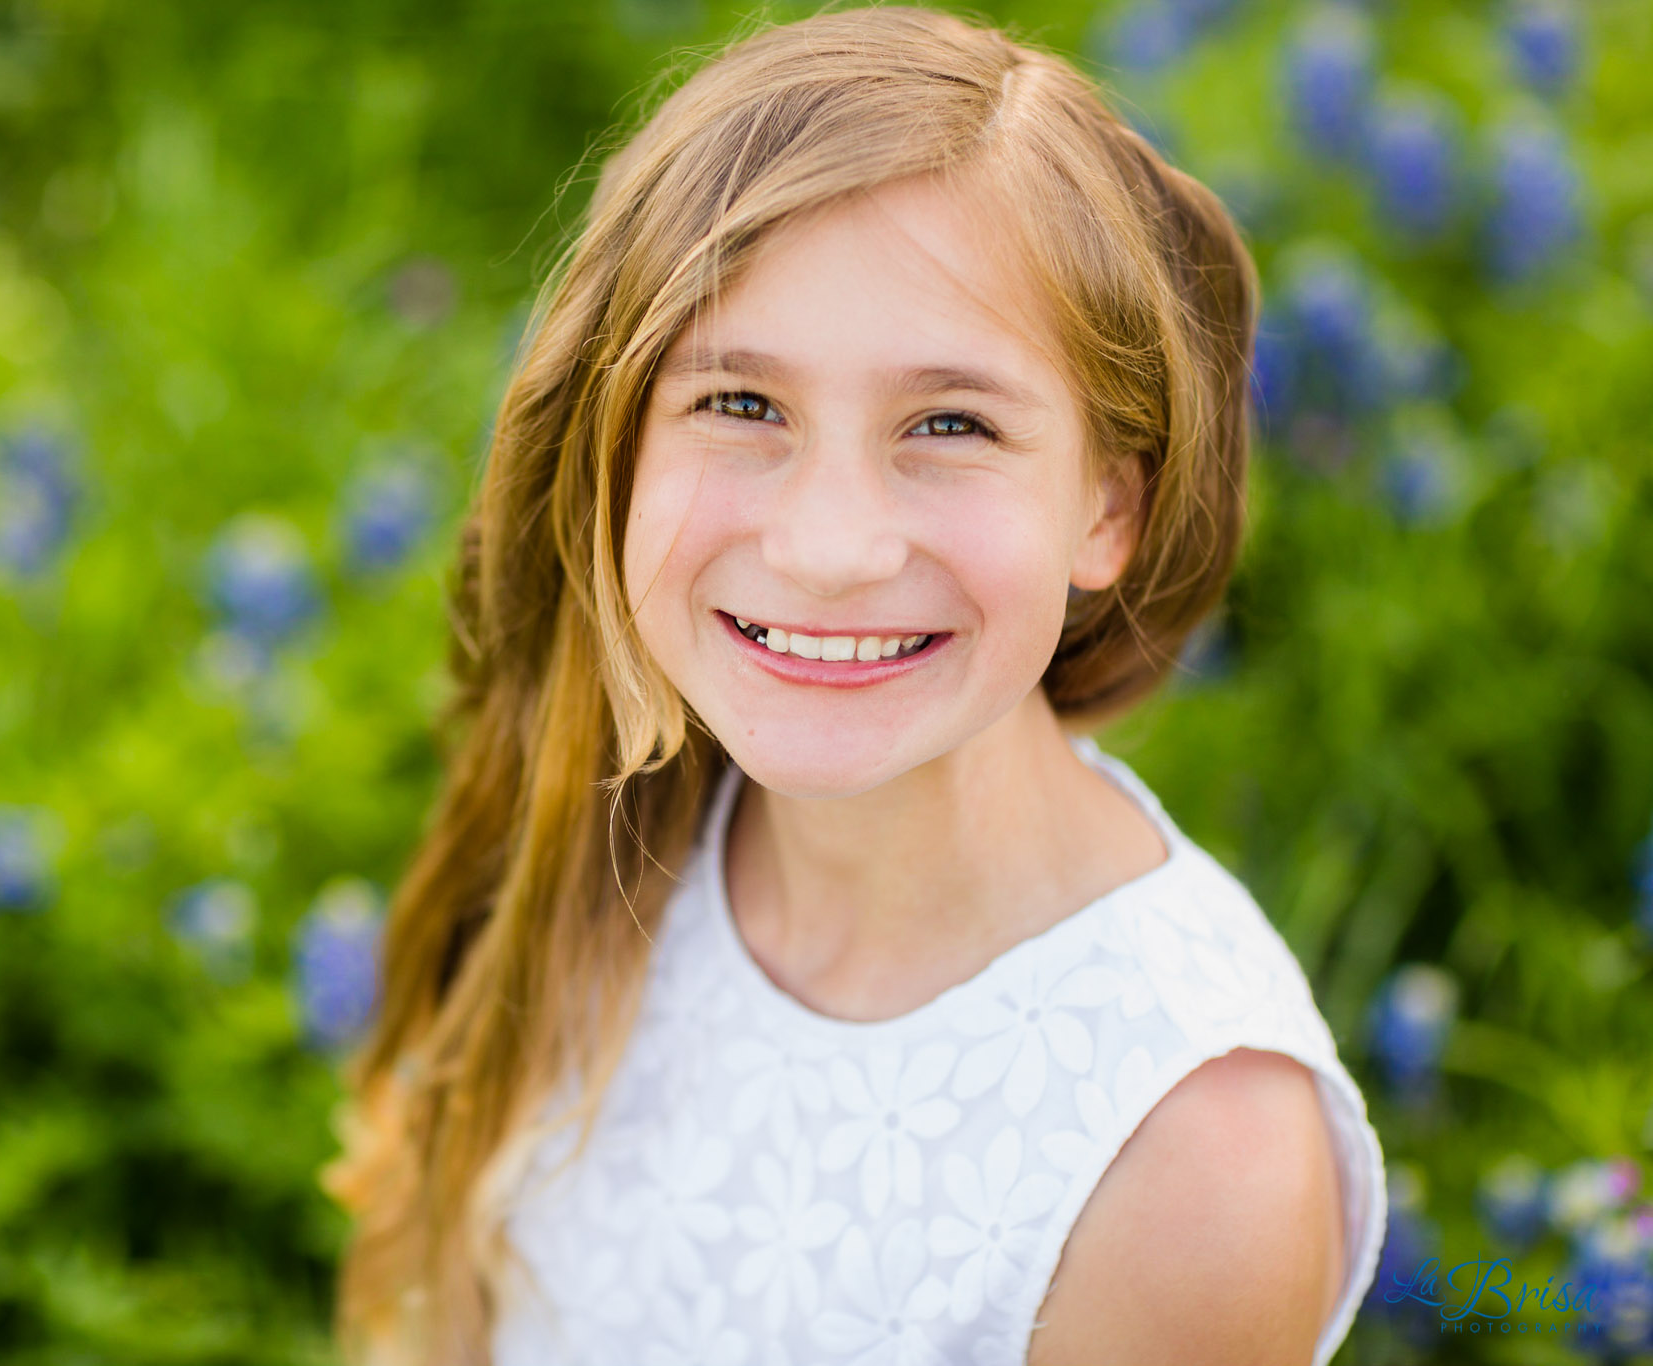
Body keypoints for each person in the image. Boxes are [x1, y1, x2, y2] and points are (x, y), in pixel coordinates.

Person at [319, 7, 1389, 1365]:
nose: (829, 550)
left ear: (1108, 507)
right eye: (741, 405)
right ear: (615, 449)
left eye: (951, 425)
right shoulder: (612, 819)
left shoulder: (1193, 1145)